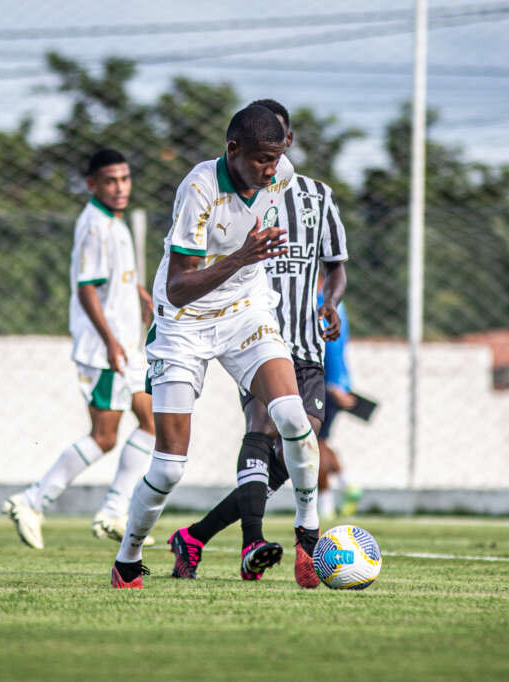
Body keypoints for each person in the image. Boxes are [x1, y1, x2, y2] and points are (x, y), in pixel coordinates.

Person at [110, 104, 321, 589]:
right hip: (184, 324)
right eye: (260, 160)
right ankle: (127, 559)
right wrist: (243, 255)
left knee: (292, 417)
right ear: (233, 151)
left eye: (276, 157)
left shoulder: (280, 172)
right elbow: (180, 287)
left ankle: (308, 537)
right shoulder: (199, 188)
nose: (270, 170)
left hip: (246, 313)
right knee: (168, 466)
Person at [167, 99, 348, 582]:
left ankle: (197, 536)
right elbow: (190, 268)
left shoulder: (316, 197)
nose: (275, 156)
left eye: (282, 142)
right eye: (266, 149)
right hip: (254, 335)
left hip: (306, 344)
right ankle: (260, 544)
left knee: (296, 445)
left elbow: (336, 267)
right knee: (262, 427)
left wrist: (330, 303)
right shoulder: (233, 194)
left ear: (288, 143)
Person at [2, 149, 157, 550]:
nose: (120, 187)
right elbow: (86, 286)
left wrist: (137, 292)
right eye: (110, 180)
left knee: (153, 423)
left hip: (125, 347)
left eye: (124, 179)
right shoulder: (93, 224)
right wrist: (109, 342)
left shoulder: (115, 222)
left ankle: (112, 512)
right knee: (105, 437)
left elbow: (111, 279)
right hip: (105, 350)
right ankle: (33, 499)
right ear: (93, 185)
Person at [316, 294, 362, 518]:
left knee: (313, 444)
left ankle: (325, 504)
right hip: (334, 382)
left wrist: (333, 384)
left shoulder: (321, 302)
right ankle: (347, 484)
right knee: (320, 441)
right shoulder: (336, 303)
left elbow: (332, 347)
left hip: (325, 384)